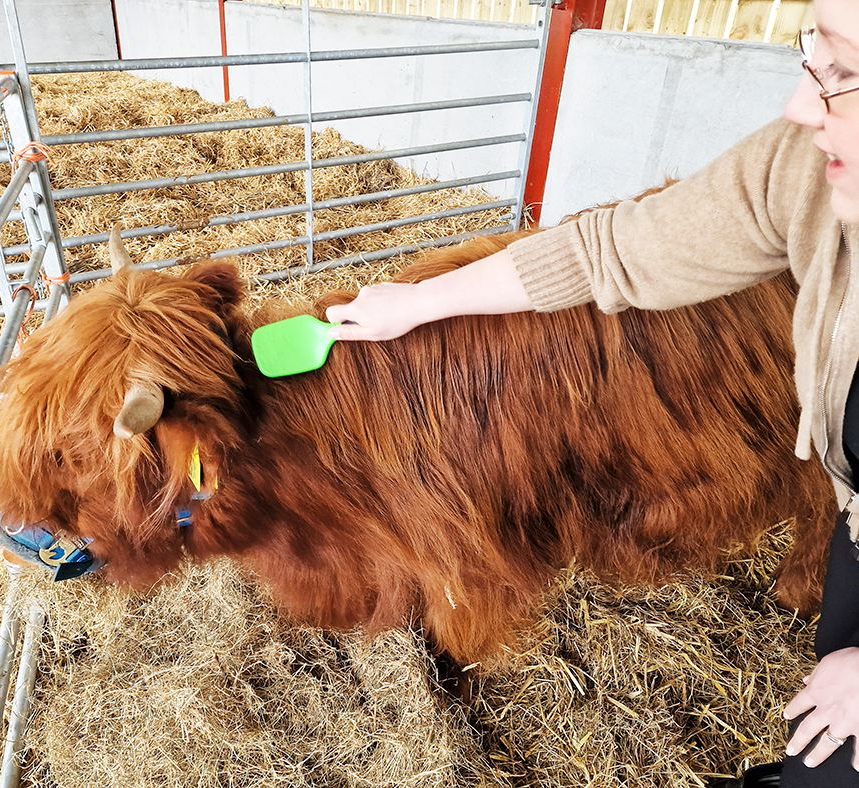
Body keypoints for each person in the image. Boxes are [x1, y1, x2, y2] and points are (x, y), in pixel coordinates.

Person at [324, 0, 859, 786]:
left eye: (843, 71)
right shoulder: (804, 169)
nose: (798, 104)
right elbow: (619, 250)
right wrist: (420, 303)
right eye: (812, 53)